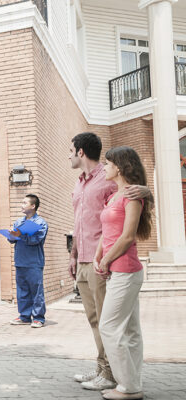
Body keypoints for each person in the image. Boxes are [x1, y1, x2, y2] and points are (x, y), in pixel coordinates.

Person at [68, 132, 151, 391]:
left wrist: (148, 192)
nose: (69, 155)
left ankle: (111, 374)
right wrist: (73, 254)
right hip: (85, 259)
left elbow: (130, 203)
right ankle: (102, 368)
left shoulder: (107, 181)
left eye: (71, 150)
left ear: (81, 151)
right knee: (95, 320)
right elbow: (81, 221)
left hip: (107, 261)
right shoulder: (79, 184)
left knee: (108, 322)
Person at [94, 146, 151, 400]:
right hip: (117, 270)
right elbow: (108, 230)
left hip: (126, 270)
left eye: (107, 164)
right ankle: (132, 383)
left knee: (109, 326)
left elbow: (128, 237)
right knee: (129, 331)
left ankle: (128, 387)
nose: (104, 168)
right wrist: (98, 254)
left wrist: (106, 259)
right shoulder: (113, 196)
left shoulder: (132, 196)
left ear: (119, 166)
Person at [8, 194, 48, 328]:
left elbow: (36, 240)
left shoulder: (40, 223)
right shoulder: (18, 222)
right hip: (20, 261)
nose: (21, 205)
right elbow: (11, 240)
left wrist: (21, 236)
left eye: (24, 202)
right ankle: (24, 316)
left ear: (33, 206)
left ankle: (38, 318)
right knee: (22, 291)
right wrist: (12, 236)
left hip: (34, 263)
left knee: (36, 291)